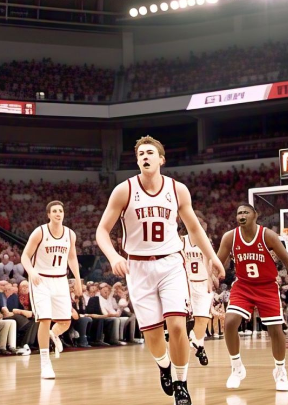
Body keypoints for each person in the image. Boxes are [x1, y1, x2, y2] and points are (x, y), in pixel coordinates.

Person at [96, 136, 225, 405]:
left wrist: (212, 256)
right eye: (141, 153)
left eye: (150, 152)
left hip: (170, 263)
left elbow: (194, 228)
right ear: (138, 160)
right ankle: (164, 364)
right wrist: (112, 256)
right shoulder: (124, 190)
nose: (145, 156)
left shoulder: (178, 190)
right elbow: (102, 231)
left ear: (161, 159)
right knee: (153, 334)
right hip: (138, 267)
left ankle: (181, 383)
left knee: (177, 326)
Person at [217, 204, 288, 392]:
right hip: (243, 285)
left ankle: (280, 371)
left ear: (255, 215)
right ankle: (236, 368)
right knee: (230, 322)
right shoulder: (230, 237)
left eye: (245, 212)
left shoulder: (267, 235)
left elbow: (286, 258)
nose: (241, 215)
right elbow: (219, 262)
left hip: (267, 287)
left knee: (275, 330)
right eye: (239, 212)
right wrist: (212, 276)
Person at [21, 200, 82, 379]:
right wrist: (31, 272)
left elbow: (72, 258)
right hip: (41, 280)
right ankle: (45, 363)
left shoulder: (70, 234)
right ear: (48, 214)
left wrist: (77, 279)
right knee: (45, 319)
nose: (58, 213)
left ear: (63, 214)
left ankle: (53, 335)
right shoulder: (40, 232)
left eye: (60, 211)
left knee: (65, 322)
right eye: (54, 211)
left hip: (61, 280)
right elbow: (25, 255)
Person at [182, 217, 213, 366]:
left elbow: (208, 262)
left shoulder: (205, 242)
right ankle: (199, 347)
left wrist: (210, 280)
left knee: (203, 318)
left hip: (202, 282)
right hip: (187, 283)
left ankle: (198, 345)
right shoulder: (181, 241)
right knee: (186, 319)